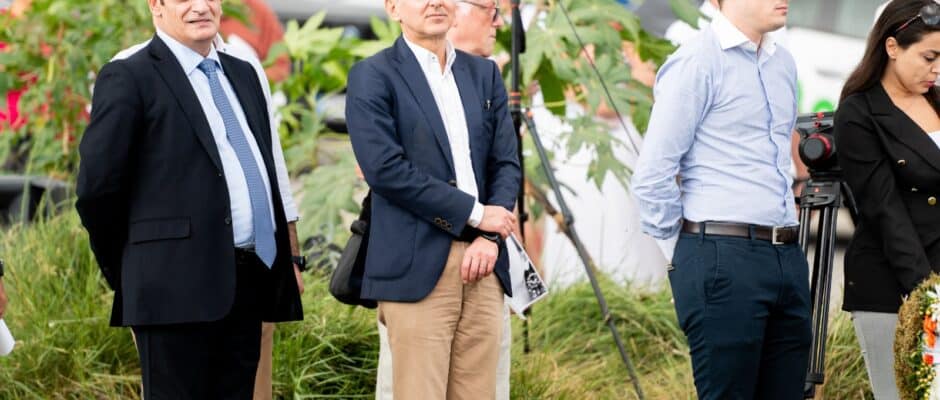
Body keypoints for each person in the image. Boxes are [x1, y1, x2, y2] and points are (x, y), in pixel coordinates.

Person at [75, 0, 303, 397]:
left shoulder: (243, 72)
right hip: (171, 291)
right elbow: (97, 191)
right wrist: (136, 269)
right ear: (156, 5)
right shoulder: (130, 75)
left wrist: (290, 255)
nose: (200, 7)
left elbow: (268, 167)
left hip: (247, 282)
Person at [631, 0, 811, 399]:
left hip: (786, 254)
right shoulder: (697, 61)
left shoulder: (783, 64)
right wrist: (683, 254)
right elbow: (652, 174)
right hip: (720, 255)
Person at [345, 0, 521, 397]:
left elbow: (506, 162)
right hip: (417, 265)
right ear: (393, 8)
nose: (435, 2)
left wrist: (489, 237)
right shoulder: (373, 75)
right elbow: (386, 171)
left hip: (484, 263)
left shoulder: (484, 73)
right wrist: (476, 214)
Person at [834, 1, 940, 398]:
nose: (937, 69)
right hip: (894, 288)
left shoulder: (936, 100)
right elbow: (885, 212)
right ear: (892, 47)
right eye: (929, 57)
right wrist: (929, 297)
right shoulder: (859, 113)